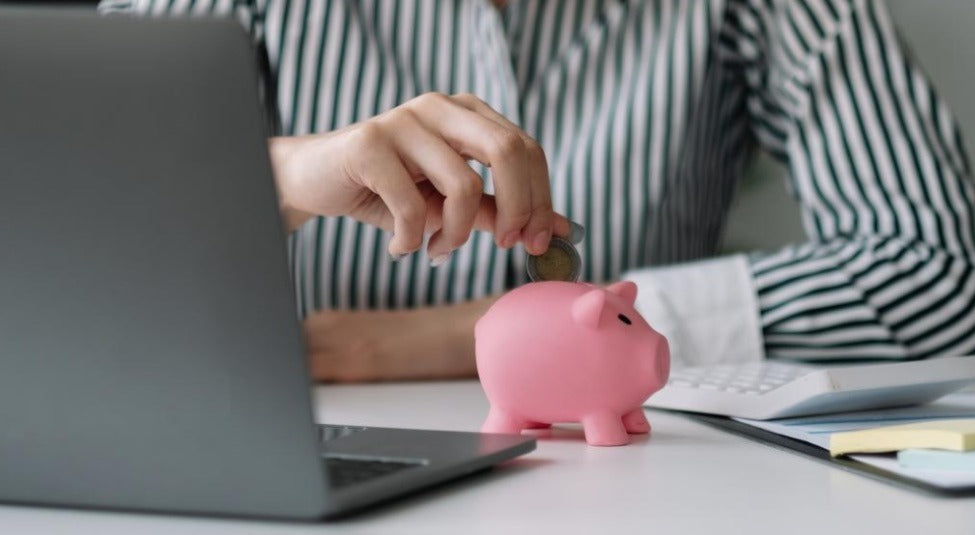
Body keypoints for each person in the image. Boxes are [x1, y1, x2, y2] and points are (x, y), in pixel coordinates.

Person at [101, 0, 975, 381]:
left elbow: (941, 274)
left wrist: (430, 341)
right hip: (295, 453)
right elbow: (66, 251)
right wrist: (279, 176)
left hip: (646, 487)